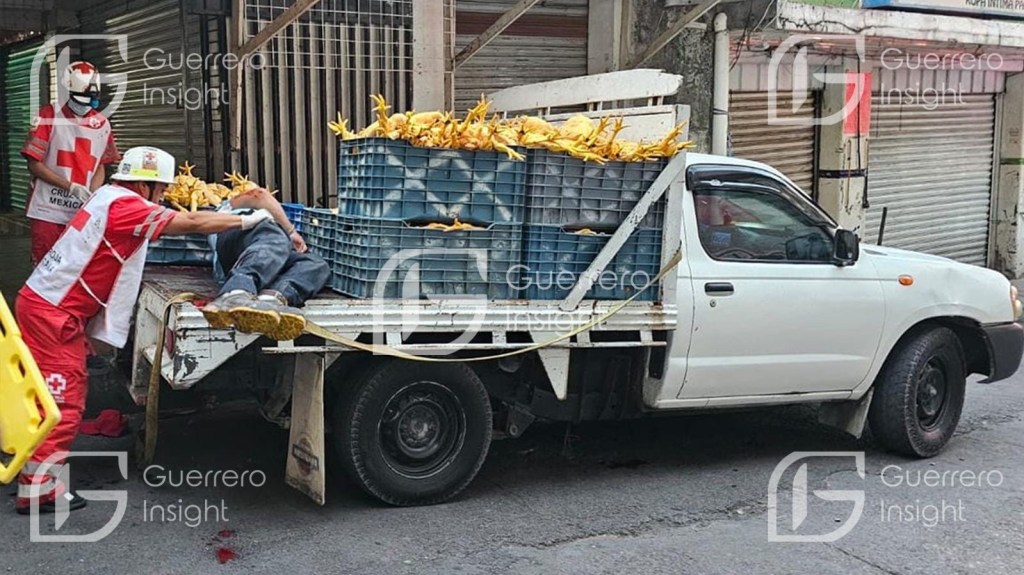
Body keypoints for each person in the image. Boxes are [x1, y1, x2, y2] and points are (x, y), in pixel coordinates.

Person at [14, 146, 273, 515]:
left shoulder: (108, 197)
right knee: (64, 400)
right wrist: (247, 220)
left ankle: (29, 466)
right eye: (161, 190)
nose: (165, 196)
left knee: (41, 396)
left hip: (48, 307)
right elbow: (195, 224)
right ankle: (38, 490)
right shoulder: (126, 205)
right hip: (54, 315)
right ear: (144, 185)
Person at [22, 61, 120, 265]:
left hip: (81, 212)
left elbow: (100, 165)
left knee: (77, 267)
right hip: (47, 210)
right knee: (45, 267)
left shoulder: (102, 124)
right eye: (82, 97)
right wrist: (70, 187)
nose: (87, 104)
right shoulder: (48, 116)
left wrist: (92, 194)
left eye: (91, 98)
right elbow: (33, 163)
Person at [199, 189, 330, 341]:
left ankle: (270, 299)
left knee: (315, 264)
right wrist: (291, 231)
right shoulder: (228, 207)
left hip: (262, 252)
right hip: (235, 239)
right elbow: (259, 195)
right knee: (274, 235)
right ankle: (235, 293)